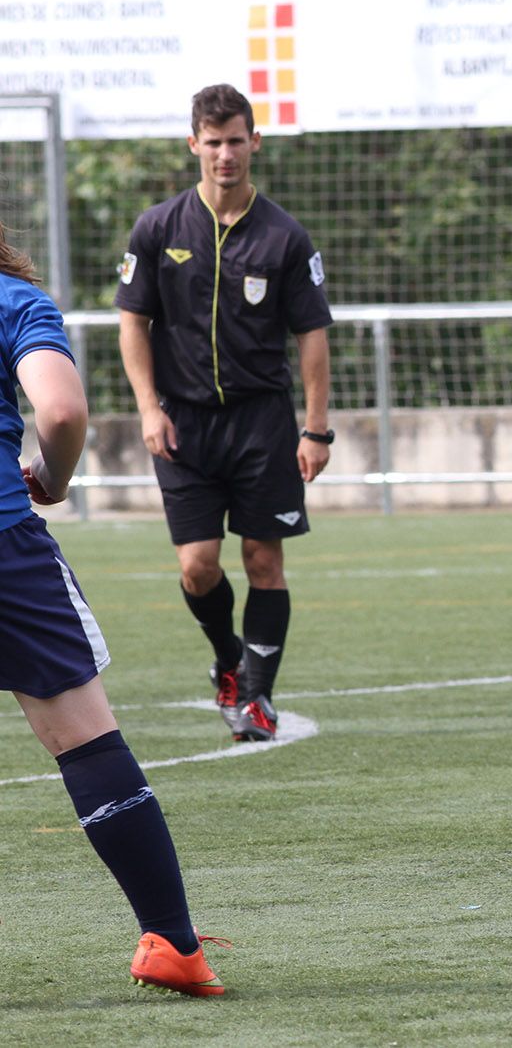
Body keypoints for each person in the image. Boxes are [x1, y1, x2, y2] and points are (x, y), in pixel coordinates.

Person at [0, 220, 226, 994]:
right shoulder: (15, 301)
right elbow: (60, 413)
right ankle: (173, 942)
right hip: (5, 548)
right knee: (86, 744)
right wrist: (54, 480)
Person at [116, 83, 333, 743]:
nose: (225, 153)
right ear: (194, 145)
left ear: (254, 142)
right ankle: (229, 660)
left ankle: (258, 699)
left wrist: (317, 427)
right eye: (212, 142)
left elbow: (313, 336)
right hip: (183, 423)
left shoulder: (285, 236)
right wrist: (148, 410)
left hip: (262, 422)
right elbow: (132, 323)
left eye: (236, 140)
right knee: (198, 564)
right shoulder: (158, 228)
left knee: (264, 561)